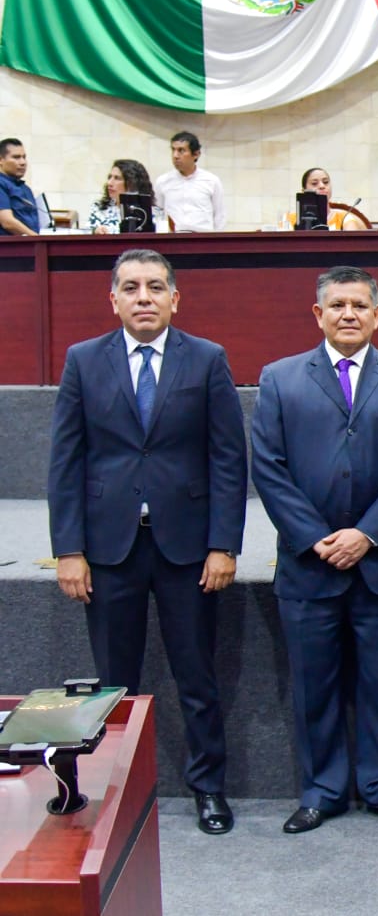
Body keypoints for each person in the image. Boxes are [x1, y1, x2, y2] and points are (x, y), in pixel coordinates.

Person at [47, 248, 247, 835]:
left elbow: (228, 461)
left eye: (155, 287)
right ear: (113, 299)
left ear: (174, 298)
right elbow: (66, 461)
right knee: (114, 683)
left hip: (188, 550)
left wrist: (224, 545)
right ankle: (117, 793)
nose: (143, 297)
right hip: (108, 551)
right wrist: (68, 549)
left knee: (196, 678)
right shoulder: (83, 361)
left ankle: (208, 788)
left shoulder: (206, 359)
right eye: (131, 288)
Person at [251, 266, 378, 834]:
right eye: (337, 305)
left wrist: (366, 533)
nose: (348, 314)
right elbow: (269, 467)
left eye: (359, 305)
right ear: (318, 315)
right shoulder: (280, 379)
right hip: (309, 562)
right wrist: (314, 537)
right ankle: (322, 790)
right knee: (313, 683)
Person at [153, 132, 226, 232]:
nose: (175, 156)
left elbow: (219, 216)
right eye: (173, 150)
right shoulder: (162, 181)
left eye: (181, 151)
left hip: (202, 238)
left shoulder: (211, 181)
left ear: (196, 154)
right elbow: (158, 214)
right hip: (173, 239)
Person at [88, 159, 156, 234]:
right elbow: (86, 234)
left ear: (132, 183)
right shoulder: (99, 209)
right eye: (109, 177)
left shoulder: (152, 213)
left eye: (117, 178)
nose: (109, 183)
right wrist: (95, 232)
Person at [291, 168, 367, 230]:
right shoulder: (291, 219)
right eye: (314, 183)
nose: (322, 186)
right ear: (304, 191)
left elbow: (351, 244)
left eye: (326, 182)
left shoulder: (344, 218)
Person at [0, 138, 39, 235]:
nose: (23, 162)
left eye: (24, 157)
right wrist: (37, 239)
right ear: (1, 160)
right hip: (11, 248)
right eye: (16, 157)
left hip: (32, 246)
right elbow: (7, 222)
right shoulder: (1, 184)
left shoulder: (25, 189)